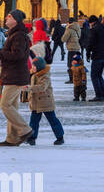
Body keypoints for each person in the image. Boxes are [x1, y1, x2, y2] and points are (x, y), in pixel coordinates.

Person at [0, 10, 35, 146]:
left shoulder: (19, 36)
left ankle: (24, 129)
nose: (6, 18)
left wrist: (1, 53)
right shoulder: (15, 34)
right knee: (12, 106)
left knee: (5, 105)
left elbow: (18, 55)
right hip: (14, 74)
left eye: (9, 16)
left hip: (15, 75)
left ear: (16, 19)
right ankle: (12, 138)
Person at [28, 56, 64, 145]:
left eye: (34, 66)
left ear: (39, 67)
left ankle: (60, 137)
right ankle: (32, 138)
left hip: (46, 102)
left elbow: (42, 87)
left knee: (52, 120)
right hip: (36, 103)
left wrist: (30, 88)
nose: (32, 68)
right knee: (33, 121)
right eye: (32, 66)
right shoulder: (34, 75)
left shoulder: (45, 76)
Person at [87, 14, 104, 101]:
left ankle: (98, 95)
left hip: (97, 55)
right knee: (99, 75)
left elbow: (91, 42)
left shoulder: (95, 29)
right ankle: (103, 94)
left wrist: (88, 52)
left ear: (92, 22)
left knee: (94, 75)